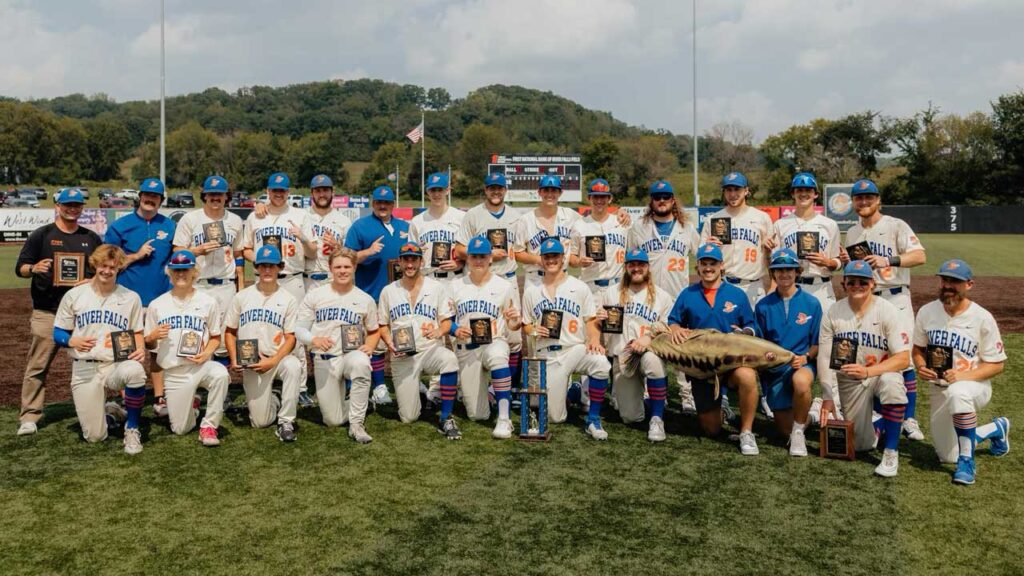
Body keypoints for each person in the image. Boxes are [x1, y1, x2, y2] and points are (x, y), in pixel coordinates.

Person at [841, 178, 927, 442]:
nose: (864, 202)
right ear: (854, 203)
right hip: (867, 299)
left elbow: (920, 255)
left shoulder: (895, 225)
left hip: (895, 295)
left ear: (878, 200)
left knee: (903, 357)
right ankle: (880, 415)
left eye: (869, 197)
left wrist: (888, 259)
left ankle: (908, 419)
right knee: (874, 354)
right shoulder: (853, 232)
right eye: (859, 198)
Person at [912, 259, 1010, 485]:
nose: (948, 285)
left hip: (975, 386)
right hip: (939, 388)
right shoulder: (927, 311)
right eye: (945, 280)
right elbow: (917, 349)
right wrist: (920, 366)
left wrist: (963, 376)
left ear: (969, 284)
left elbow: (997, 365)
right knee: (947, 456)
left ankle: (967, 461)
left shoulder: (982, 317)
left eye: (954, 281)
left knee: (958, 391)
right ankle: (996, 428)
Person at [15, 188, 103, 436]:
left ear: (81, 208)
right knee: (38, 365)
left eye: (77, 205)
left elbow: (102, 269)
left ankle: (101, 406)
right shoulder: (41, 235)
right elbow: (19, 268)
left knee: (96, 361)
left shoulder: (91, 237)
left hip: (82, 313)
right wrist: (34, 268)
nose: (72, 209)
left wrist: (90, 280)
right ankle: (30, 415)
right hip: (48, 311)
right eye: (68, 205)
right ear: (58, 206)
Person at [817, 260, 911, 477]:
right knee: (859, 445)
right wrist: (827, 396)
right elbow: (824, 357)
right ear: (844, 284)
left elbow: (903, 359)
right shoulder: (833, 312)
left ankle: (890, 452)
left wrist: (869, 371)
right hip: (849, 380)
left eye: (863, 282)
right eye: (852, 282)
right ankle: (879, 423)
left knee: (892, 384)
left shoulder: (888, 310)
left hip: (879, 373)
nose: (857, 285)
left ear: (873, 284)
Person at [52, 245, 148, 454]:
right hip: (85, 366)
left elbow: (137, 332)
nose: (107, 271)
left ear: (119, 268)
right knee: (95, 437)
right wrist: (70, 341)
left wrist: (140, 348)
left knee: (136, 370)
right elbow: (58, 332)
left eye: (112, 267)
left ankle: (132, 428)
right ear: (95, 264)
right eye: (103, 266)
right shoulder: (75, 295)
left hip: (116, 363)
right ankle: (111, 412)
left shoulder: (130, 297)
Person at [666, 243, 761, 455]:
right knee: (711, 429)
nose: (708, 268)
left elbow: (752, 326)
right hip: (703, 367)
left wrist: (745, 332)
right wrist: (674, 328)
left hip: (732, 364)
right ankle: (722, 410)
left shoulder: (737, 294)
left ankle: (746, 431)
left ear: (721, 266)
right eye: (704, 264)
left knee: (747, 376)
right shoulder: (687, 294)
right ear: (697, 267)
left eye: (713, 263)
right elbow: (673, 320)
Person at [521, 239, 611, 440]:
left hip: (574, 348)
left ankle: (593, 419)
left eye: (555, 256)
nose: (551, 260)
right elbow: (526, 324)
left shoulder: (579, 287)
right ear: (541, 260)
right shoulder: (531, 291)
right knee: (555, 417)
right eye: (547, 256)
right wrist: (534, 329)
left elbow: (590, 320)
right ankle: (574, 392)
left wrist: (595, 339)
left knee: (601, 364)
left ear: (563, 258)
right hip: (548, 356)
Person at [626, 179, 700, 414]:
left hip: (679, 297)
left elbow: (702, 258)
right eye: (657, 197)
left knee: (681, 348)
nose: (661, 201)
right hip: (651, 298)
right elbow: (629, 262)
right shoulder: (639, 227)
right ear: (651, 201)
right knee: (650, 343)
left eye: (666, 197)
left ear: (672, 200)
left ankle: (686, 393)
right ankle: (653, 390)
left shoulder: (686, 228)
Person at [242, 172, 317, 406]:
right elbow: (245, 249)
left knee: (295, 334)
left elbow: (313, 252)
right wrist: (263, 261)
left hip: (292, 279)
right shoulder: (256, 216)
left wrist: (302, 236)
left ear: (288, 191)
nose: (278, 193)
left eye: (282, 190)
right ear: (267, 190)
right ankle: (264, 382)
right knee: (260, 329)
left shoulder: (300, 215)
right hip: (263, 278)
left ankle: (300, 386)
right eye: (274, 190)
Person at [104, 177, 176, 414]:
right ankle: (127, 398)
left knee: (157, 351)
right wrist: (135, 255)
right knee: (126, 350)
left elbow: (176, 258)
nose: (150, 199)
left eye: (155, 197)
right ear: (139, 197)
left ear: (161, 200)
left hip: (159, 298)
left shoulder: (169, 226)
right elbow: (107, 263)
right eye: (146, 195)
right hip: (126, 299)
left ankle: (159, 397)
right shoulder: (120, 226)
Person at [143, 250, 229, 446]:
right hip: (174, 372)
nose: (181, 274)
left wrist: (206, 353)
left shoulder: (208, 301)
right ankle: (194, 406)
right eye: (176, 270)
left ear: (194, 272)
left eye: (185, 270)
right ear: (170, 273)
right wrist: (152, 337)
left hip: (200, 366)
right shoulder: (157, 305)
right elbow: (149, 345)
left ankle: (209, 426)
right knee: (180, 429)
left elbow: (216, 337)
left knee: (220, 373)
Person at [377, 242, 462, 439]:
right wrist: (389, 342)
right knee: (408, 417)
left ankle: (446, 417)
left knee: (449, 359)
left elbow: (447, 322)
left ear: (420, 261)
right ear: (399, 262)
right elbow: (382, 325)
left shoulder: (436, 288)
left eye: (413, 259)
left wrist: (440, 331)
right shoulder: (388, 291)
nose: (409, 264)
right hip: (403, 355)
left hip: (429, 349)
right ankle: (421, 396)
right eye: (405, 259)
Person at [453, 173, 524, 407]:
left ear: (505, 190)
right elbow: (460, 249)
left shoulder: (516, 216)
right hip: (479, 279)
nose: (496, 191)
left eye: (500, 188)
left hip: (508, 278)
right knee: (478, 332)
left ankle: (508, 388)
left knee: (513, 338)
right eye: (491, 188)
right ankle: (478, 383)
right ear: (485, 189)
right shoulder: (473, 214)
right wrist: (488, 254)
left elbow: (523, 248)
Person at [344, 184, 418, 407]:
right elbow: (347, 259)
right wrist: (368, 252)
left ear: (393, 204)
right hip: (372, 293)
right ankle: (378, 385)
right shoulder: (360, 226)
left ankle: (410, 378)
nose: (383, 206)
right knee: (376, 342)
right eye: (378, 203)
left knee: (404, 336)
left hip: (400, 294)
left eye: (387, 203)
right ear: (372, 204)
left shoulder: (405, 226)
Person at [296, 248, 379, 444]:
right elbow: (299, 330)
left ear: (355, 268)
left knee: (361, 363)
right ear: (330, 268)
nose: (343, 271)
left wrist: (370, 345)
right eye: (338, 267)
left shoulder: (364, 299)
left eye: (347, 267)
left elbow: (374, 331)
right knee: (332, 420)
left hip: (350, 356)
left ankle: (357, 424)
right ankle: (361, 403)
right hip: (325, 359)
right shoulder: (316, 295)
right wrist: (314, 340)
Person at [224, 245, 303, 442]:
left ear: (280, 267)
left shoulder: (289, 299)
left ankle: (286, 421)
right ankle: (275, 398)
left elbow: (291, 337)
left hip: (278, 359)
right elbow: (230, 332)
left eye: (272, 266)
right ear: (256, 268)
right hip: (251, 361)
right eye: (263, 266)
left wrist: (274, 360)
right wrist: (234, 359)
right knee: (260, 422)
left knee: (293, 365)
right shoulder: (241, 296)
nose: (267, 270)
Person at [596, 248, 673, 441]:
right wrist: (598, 320)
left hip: (649, 352)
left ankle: (657, 417)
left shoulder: (662, 296)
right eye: (632, 264)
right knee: (630, 417)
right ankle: (647, 400)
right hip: (622, 357)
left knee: (653, 361)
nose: (636, 268)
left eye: (641, 264)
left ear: (648, 267)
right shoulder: (610, 294)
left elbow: (669, 327)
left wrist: (649, 338)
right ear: (626, 267)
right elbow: (597, 327)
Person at [450, 236, 521, 438]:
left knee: (498, 357)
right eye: (474, 256)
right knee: (477, 415)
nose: (478, 261)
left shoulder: (504, 286)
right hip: (467, 348)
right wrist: (455, 329)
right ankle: (490, 394)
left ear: (491, 258)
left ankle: (504, 419)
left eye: (483, 256)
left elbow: (514, 325)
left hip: (494, 343)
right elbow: (446, 320)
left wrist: (514, 320)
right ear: (468, 258)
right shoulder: (456, 285)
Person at [754, 248, 822, 456]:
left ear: (797, 272)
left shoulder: (812, 303)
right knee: (785, 431)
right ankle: (811, 416)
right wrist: (769, 358)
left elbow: (818, 342)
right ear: (773, 273)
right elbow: (760, 343)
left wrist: (806, 357)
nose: (784, 274)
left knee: (801, 383)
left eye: (789, 269)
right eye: (779, 270)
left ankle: (799, 434)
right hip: (775, 370)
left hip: (802, 364)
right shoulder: (763, 305)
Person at [171, 175, 245, 360]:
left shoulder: (235, 220)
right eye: (211, 194)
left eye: (219, 194)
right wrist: (195, 251)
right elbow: (177, 250)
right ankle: (195, 381)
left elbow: (238, 254)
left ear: (226, 196)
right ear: (204, 195)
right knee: (195, 334)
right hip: (198, 284)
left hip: (226, 285)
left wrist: (241, 286)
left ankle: (220, 382)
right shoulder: (190, 219)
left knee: (222, 338)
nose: (215, 198)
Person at [766, 172, 841, 312]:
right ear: (793, 194)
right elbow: (774, 264)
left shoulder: (830, 225)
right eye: (799, 190)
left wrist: (828, 262)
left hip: (822, 287)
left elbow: (838, 261)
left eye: (808, 190)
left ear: (816, 194)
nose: (803, 193)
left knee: (823, 332)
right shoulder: (780, 225)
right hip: (791, 287)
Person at [700, 172, 773, 308]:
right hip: (723, 284)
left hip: (753, 285)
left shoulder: (762, 218)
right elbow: (701, 257)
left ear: (746, 191)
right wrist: (708, 248)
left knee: (753, 329)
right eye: (729, 190)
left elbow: (773, 259)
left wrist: (768, 249)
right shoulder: (713, 220)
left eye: (737, 189)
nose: (733, 194)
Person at [512, 175, 582, 290]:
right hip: (535, 280)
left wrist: (620, 213)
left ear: (560, 192)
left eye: (554, 190)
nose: (550, 194)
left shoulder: (570, 216)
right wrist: (538, 260)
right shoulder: (526, 220)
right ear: (539, 192)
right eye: (546, 190)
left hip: (562, 278)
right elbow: (517, 253)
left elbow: (592, 221)